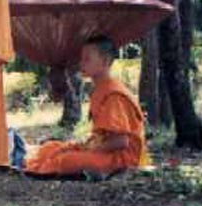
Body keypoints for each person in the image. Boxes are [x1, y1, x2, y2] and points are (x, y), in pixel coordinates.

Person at [25, 35, 149, 177]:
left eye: (87, 59)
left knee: (66, 160)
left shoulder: (114, 94)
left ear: (105, 62)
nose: (81, 64)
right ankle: (41, 167)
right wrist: (84, 146)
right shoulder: (100, 89)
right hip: (102, 149)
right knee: (49, 148)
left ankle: (47, 169)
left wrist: (89, 150)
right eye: (82, 58)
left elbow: (121, 141)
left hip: (121, 158)